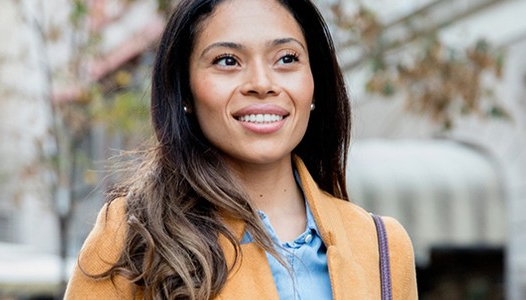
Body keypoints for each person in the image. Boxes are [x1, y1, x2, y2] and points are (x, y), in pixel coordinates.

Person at [64, 0, 418, 299]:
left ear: (315, 84)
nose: (262, 84)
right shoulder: (132, 237)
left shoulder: (381, 246)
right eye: (228, 61)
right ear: (185, 92)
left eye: (286, 58)